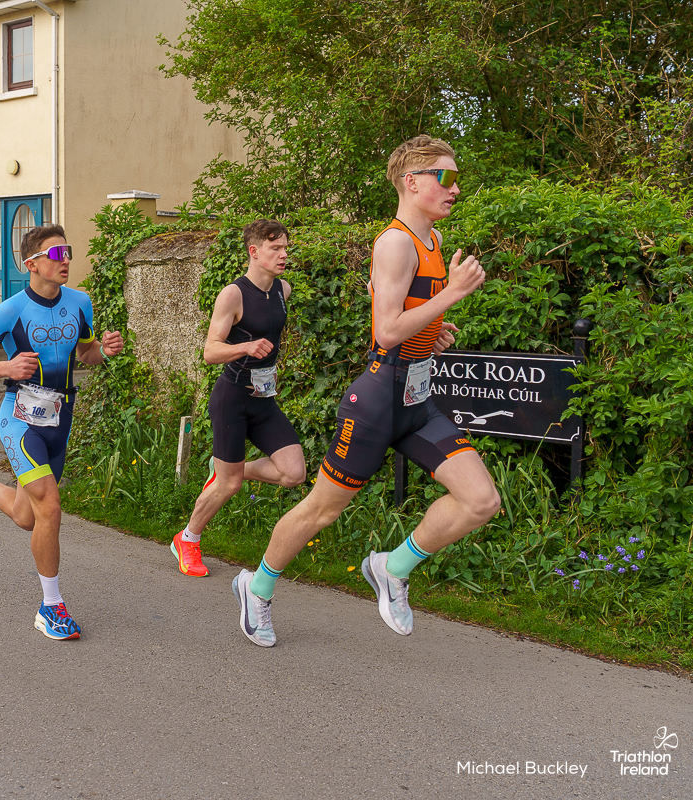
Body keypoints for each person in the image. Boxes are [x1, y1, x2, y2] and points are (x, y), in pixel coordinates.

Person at [232, 135, 501, 647]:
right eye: (445, 177)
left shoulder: (433, 240)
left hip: (416, 398)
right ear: (411, 181)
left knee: (481, 500)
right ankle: (257, 586)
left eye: (456, 178)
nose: (455, 189)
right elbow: (386, 331)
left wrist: (432, 332)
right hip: (378, 400)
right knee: (323, 508)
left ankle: (391, 567)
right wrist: (452, 294)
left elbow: (406, 318)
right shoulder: (395, 243)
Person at [0, 225, 124, 641]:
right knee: (49, 507)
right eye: (55, 254)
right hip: (20, 418)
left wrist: (104, 351)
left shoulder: (80, 303)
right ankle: (51, 607)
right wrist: (6, 366)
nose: (65, 260)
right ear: (31, 264)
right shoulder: (9, 311)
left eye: (67, 252)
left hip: (60, 418)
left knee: (26, 516)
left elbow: (85, 353)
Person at [171, 219, 306, 578]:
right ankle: (187, 539)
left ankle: (230, 470)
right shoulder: (233, 294)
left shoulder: (283, 289)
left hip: (264, 399)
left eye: (286, 247)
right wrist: (245, 346)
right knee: (228, 485)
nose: (284, 254)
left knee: (294, 473)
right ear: (254, 251)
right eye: (276, 248)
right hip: (232, 398)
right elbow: (210, 352)